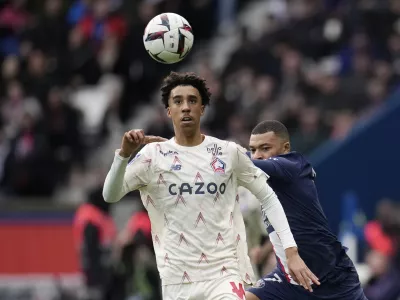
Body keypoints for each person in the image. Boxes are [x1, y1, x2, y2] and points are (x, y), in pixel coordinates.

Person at [102, 72, 319, 300]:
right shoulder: (153, 156)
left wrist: (291, 251)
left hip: (224, 274)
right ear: (168, 111)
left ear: (202, 109)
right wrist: (123, 155)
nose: (185, 107)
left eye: (192, 101)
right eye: (178, 101)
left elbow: (269, 196)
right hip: (177, 280)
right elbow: (110, 195)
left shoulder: (227, 152)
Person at [245, 120, 367, 300]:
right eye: (253, 150)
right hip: (290, 280)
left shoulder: (293, 166)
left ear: (285, 148)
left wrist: (216, 150)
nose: (258, 155)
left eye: (265, 148)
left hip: (331, 278)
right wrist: (264, 250)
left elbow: (245, 163)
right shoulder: (265, 185)